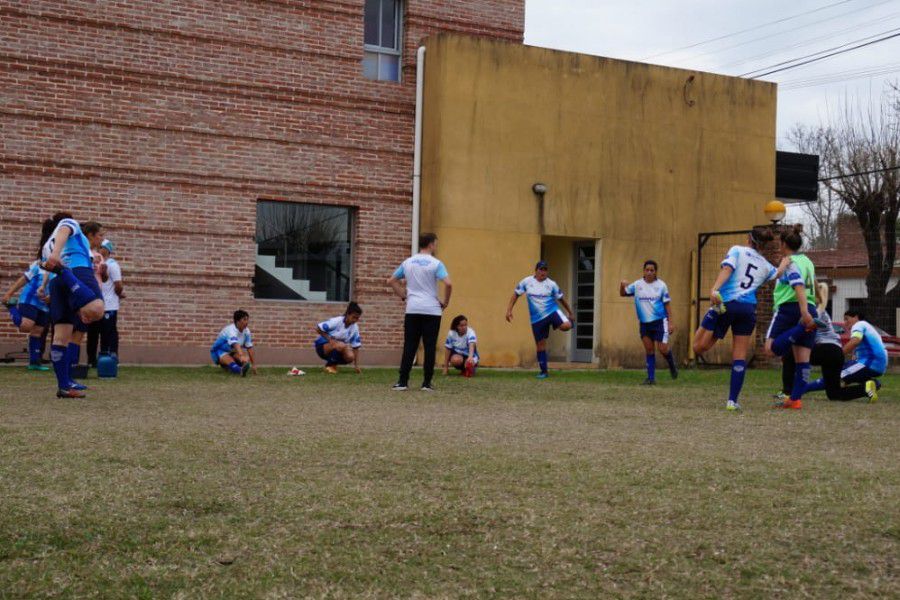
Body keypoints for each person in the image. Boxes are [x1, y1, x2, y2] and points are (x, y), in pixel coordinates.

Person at [692, 227, 778, 410]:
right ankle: (732, 401)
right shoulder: (766, 266)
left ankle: (713, 312)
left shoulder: (737, 250)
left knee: (698, 347)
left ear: (749, 238)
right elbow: (778, 274)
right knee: (739, 356)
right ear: (764, 246)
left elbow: (727, 268)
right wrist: (787, 262)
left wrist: (715, 289)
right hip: (748, 310)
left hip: (727, 304)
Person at [777, 284, 879, 402]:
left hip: (825, 349)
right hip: (836, 353)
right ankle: (865, 389)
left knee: (789, 355)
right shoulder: (819, 309)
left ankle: (787, 393)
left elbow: (804, 332)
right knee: (834, 394)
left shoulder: (810, 309)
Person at [42, 214, 106, 398]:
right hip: (75, 272)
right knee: (97, 309)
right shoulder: (69, 224)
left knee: (61, 337)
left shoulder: (48, 244)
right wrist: (57, 258)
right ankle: (66, 382)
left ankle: (65, 385)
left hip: (58, 283)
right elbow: (65, 228)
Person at [387, 233, 452, 392]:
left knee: (410, 345)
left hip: (413, 309)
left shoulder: (408, 262)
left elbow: (391, 281)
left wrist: (403, 295)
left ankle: (402, 382)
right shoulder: (436, 263)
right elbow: (449, 284)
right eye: (435, 244)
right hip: (432, 310)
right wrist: (446, 302)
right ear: (431, 245)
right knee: (429, 346)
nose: (436, 247)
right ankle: (426, 383)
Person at [765, 224, 818, 410]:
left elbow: (798, 285)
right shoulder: (808, 262)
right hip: (811, 308)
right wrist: (811, 309)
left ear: (783, 244)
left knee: (770, 348)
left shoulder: (789, 262)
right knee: (802, 359)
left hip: (790, 308)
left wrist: (803, 314)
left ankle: (802, 327)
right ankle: (795, 399)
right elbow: (814, 285)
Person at [1, 219, 55, 371]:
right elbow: (24, 278)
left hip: (44, 303)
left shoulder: (60, 266)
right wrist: (9, 293)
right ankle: (11, 306)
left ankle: (34, 362)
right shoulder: (38, 264)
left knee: (38, 331)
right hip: (30, 299)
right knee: (26, 326)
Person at [507, 261, 574, 379]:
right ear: (536, 270)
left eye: (545, 270)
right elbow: (515, 295)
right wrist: (509, 310)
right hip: (537, 319)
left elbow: (561, 299)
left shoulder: (552, 284)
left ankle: (570, 322)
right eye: (541, 269)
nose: (543, 272)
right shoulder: (526, 282)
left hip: (551, 311)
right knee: (540, 345)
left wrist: (570, 312)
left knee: (566, 326)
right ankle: (544, 372)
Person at [620, 260, 677, 385]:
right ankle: (651, 378)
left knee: (662, 349)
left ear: (656, 272)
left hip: (660, 322)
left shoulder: (661, 285)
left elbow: (667, 305)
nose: (649, 272)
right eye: (647, 270)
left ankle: (672, 364)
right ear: (644, 271)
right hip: (645, 324)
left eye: (652, 270)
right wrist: (622, 284)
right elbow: (623, 293)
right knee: (649, 350)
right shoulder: (637, 285)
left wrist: (671, 322)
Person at [87, 239, 124, 366]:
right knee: (92, 334)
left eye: (102, 247)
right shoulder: (95, 262)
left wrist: (119, 294)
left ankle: (109, 359)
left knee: (108, 333)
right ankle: (91, 360)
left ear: (107, 250)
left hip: (109, 306)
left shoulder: (113, 265)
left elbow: (118, 285)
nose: (99, 249)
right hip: (96, 304)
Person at [314, 302, 363, 374]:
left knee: (350, 357)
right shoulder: (337, 321)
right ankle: (329, 366)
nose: (355, 320)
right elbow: (318, 328)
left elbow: (356, 347)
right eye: (354, 317)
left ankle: (332, 365)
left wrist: (356, 366)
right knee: (341, 345)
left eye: (357, 318)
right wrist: (330, 340)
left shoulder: (355, 328)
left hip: (338, 348)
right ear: (347, 314)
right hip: (322, 347)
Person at [210, 310, 256, 376]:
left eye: (247, 319)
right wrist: (241, 356)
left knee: (246, 359)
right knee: (232, 360)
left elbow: (249, 348)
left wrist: (253, 364)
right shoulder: (230, 330)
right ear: (238, 321)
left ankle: (235, 366)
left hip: (232, 351)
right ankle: (239, 370)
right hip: (219, 351)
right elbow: (236, 344)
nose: (247, 322)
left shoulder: (246, 331)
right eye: (244, 320)